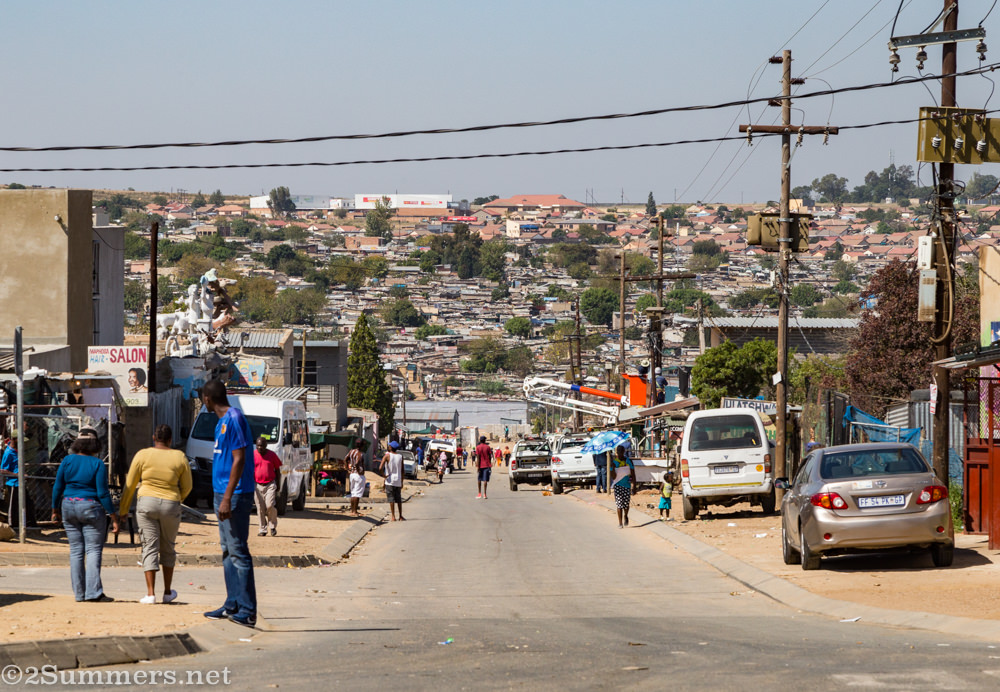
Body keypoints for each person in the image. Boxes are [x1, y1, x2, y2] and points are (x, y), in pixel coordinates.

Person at [200, 380, 257, 628]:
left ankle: (248, 609)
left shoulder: (234, 418)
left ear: (207, 398)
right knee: (227, 550)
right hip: (220, 492)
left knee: (238, 550)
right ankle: (232, 602)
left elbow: (239, 459)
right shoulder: (221, 422)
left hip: (233, 494)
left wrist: (226, 498)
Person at [118, 424, 192, 604]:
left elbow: (130, 484)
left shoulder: (142, 455)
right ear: (170, 440)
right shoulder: (179, 457)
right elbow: (188, 485)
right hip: (170, 504)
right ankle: (167, 592)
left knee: (149, 547)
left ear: (154, 438)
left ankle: (150, 594)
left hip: (147, 503)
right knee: (168, 546)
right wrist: (176, 499)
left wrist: (123, 510)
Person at [51, 427, 119, 602]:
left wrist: (54, 509)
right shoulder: (97, 464)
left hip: (68, 505)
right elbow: (103, 493)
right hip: (91, 507)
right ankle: (94, 593)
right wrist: (113, 515)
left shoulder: (67, 461)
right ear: (95, 444)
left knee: (76, 551)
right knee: (94, 550)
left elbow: (58, 487)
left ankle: (79, 594)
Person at [2, 429, 35, 529]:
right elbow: (3, 470)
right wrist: (17, 475)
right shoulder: (8, 453)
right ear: (14, 439)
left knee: (29, 504)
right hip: (13, 484)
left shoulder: (17, 451)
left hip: (20, 483)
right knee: (13, 507)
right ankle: (13, 526)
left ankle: (31, 524)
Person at [253, 436, 282, 537]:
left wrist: (278, 484)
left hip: (270, 484)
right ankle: (263, 529)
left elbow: (278, 470)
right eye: (258, 446)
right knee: (260, 508)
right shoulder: (253, 455)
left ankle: (272, 525)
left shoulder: (272, 455)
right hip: (257, 485)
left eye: (262, 446)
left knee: (269, 505)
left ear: (266, 445)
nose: (260, 448)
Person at [611, 445, 636, 528]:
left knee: (626, 504)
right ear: (616, 452)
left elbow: (633, 473)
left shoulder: (628, 461)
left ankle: (626, 515)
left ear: (624, 451)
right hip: (618, 485)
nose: (620, 453)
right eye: (618, 451)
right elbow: (613, 477)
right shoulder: (614, 463)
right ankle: (620, 523)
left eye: (621, 451)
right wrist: (613, 468)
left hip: (627, 485)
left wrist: (634, 486)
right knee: (619, 504)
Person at [379, 441, 405, 522]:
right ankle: (400, 516)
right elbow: (402, 470)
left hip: (389, 480)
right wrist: (402, 481)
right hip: (398, 480)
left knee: (391, 499)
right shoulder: (400, 456)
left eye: (389, 446)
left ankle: (393, 516)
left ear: (390, 447)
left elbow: (380, 468)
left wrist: (384, 475)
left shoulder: (387, 456)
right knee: (398, 499)